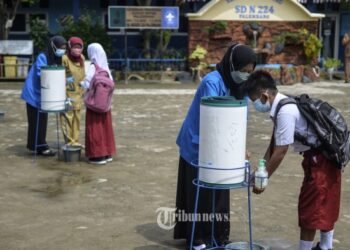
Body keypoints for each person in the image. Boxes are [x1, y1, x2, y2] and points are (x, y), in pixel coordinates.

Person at [245, 70, 341, 250]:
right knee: (325, 203)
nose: (256, 105)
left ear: (265, 95)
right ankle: (326, 247)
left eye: (255, 100)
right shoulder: (283, 103)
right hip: (323, 158)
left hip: (320, 162)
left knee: (309, 210)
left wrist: (263, 180)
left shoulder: (285, 111)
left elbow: (281, 151)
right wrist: (259, 171)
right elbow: (274, 144)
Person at [174, 43, 256, 250]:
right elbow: (212, 116)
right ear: (232, 64)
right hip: (198, 141)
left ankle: (218, 235)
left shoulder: (241, 87)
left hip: (221, 147)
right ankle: (198, 239)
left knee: (220, 190)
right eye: (242, 70)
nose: (245, 76)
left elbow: (240, 116)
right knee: (199, 192)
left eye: (249, 72)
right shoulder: (212, 81)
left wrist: (240, 145)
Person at [21, 35, 67, 156]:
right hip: (33, 93)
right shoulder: (43, 56)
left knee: (42, 120)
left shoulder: (57, 58)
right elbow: (42, 73)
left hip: (45, 93)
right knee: (35, 120)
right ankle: (38, 147)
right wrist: (59, 78)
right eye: (60, 47)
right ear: (53, 46)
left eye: (64, 48)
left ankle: (40, 145)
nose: (62, 50)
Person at [80, 43, 116, 165]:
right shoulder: (106, 67)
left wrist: (80, 83)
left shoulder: (93, 67)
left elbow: (87, 83)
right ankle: (107, 153)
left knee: (95, 129)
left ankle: (97, 156)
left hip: (94, 105)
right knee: (105, 128)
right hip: (105, 105)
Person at [60, 37, 85, 146]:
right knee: (67, 119)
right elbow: (59, 76)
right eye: (75, 47)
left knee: (77, 120)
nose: (77, 49)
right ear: (70, 47)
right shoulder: (64, 59)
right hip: (67, 94)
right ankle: (69, 142)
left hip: (79, 94)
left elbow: (83, 75)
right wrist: (67, 80)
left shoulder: (82, 59)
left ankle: (75, 141)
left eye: (79, 47)